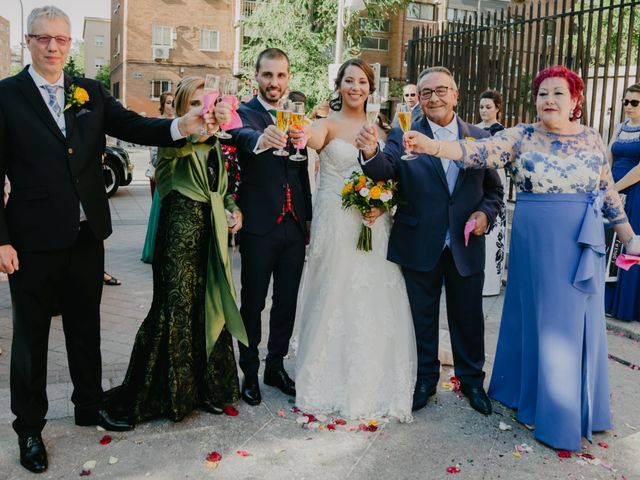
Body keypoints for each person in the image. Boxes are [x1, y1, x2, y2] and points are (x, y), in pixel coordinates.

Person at [0, 6, 213, 474]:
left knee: (85, 326)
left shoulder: (91, 93)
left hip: (86, 235)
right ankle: (29, 428)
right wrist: (2, 240)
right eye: (42, 38)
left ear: (70, 44)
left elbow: (136, 126)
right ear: (29, 43)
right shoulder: (6, 96)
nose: (52, 46)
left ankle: (87, 404)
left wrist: (184, 126)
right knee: (32, 340)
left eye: (60, 39)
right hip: (32, 240)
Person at [403, 65, 640, 451]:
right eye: (543, 93)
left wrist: (629, 237)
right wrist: (433, 146)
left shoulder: (593, 138)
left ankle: (576, 408)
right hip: (537, 243)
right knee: (542, 322)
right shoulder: (521, 136)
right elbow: (476, 151)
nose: (549, 100)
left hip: (581, 242)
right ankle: (544, 408)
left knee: (574, 324)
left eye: (558, 93)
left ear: (575, 100)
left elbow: (608, 191)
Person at [356, 66, 503, 416]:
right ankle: (425, 379)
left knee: (468, 317)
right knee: (421, 316)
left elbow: (494, 190)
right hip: (419, 239)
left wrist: (485, 215)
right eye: (426, 93)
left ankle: (471, 381)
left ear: (455, 94)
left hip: (465, 245)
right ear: (418, 100)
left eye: (441, 90)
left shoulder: (479, 136)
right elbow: (385, 170)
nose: (434, 97)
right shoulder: (402, 132)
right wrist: (369, 153)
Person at [107, 76, 246, 424]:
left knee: (208, 306)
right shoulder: (173, 141)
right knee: (176, 310)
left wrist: (234, 210)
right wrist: (191, 128)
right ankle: (170, 395)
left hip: (211, 238)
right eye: (194, 105)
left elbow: (222, 189)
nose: (202, 111)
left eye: (206, 103)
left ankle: (207, 390)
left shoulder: (215, 145)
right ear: (183, 109)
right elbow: (177, 153)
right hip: (179, 240)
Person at [290, 58, 417, 420]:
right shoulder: (325, 125)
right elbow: (309, 138)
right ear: (339, 85)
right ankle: (323, 378)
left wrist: (382, 203)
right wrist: (300, 131)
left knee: (372, 295)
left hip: (372, 222)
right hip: (335, 221)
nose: (355, 87)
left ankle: (372, 379)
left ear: (370, 89)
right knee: (332, 292)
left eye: (362, 81)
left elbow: (391, 175)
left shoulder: (383, 130)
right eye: (349, 80)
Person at [229, 48, 312, 406]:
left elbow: (300, 171)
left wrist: (307, 219)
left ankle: (274, 366)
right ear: (256, 77)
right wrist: (262, 139)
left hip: (294, 225)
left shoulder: (296, 116)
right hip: (260, 223)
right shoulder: (242, 115)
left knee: (287, 301)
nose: (274, 82)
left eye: (280, 76)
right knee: (253, 300)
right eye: (267, 75)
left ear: (287, 78)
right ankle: (249, 369)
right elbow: (241, 138)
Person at [605, 83, 640, 322]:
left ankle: (626, 306)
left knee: (630, 245)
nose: (628, 106)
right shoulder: (620, 128)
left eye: (634, 102)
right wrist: (606, 184)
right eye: (625, 102)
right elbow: (608, 156)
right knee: (610, 245)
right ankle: (608, 301)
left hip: (635, 194)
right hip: (613, 191)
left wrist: (615, 189)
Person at [476, 89, 507, 296]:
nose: (484, 110)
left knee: (494, 232)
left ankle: (491, 283)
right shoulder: (474, 130)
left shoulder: (503, 133)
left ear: (497, 108)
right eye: (481, 107)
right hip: (478, 180)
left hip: (496, 178)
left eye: (488, 107)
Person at [141, 91, 175, 264]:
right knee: (160, 213)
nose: (172, 105)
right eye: (168, 102)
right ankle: (155, 250)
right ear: (163, 105)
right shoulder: (158, 124)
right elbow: (154, 156)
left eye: (174, 102)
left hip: (178, 178)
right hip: (162, 176)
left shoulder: (181, 122)